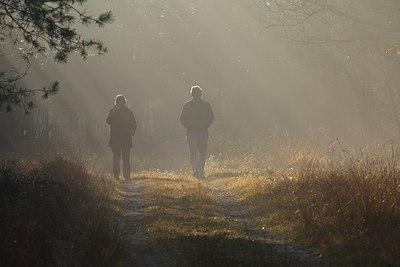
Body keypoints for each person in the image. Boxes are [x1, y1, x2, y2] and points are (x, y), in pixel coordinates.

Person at [180, 85, 214, 178]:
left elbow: (211, 117)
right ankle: (195, 170)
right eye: (195, 93)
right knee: (193, 151)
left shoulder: (206, 105)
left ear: (200, 94)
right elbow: (182, 118)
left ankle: (200, 170)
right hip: (191, 133)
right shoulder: (187, 105)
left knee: (202, 151)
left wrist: (205, 125)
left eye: (198, 93)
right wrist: (189, 126)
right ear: (192, 94)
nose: (197, 95)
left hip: (203, 132)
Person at [106, 94, 137, 180]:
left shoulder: (129, 112)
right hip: (115, 139)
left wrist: (132, 130)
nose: (119, 103)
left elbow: (134, 123)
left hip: (126, 138)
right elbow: (108, 121)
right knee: (116, 157)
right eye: (117, 102)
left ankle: (127, 176)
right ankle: (116, 175)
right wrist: (113, 112)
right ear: (116, 102)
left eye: (121, 102)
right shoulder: (112, 111)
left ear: (124, 102)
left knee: (126, 158)